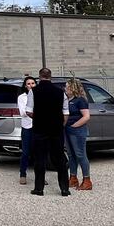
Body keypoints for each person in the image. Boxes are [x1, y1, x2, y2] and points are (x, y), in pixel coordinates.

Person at [28, 68, 71, 196]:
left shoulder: (33, 92)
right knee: (60, 159)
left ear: (40, 76)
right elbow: (66, 113)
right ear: (50, 76)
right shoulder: (60, 92)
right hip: (56, 129)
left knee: (40, 159)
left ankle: (39, 188)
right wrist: (61, 124)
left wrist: (38, 118)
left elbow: (29, 111)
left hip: (39, 128)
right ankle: (64, 188)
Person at [65, 78, 92, 190]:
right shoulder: (67, 100)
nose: (65, 89)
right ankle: (73, 177)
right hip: (67, 129)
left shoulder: (80, 100)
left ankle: (87, 180)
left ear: (73, 88)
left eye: (67, 87)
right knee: (71, 155)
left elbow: (86, 116)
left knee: (80, 154)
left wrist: (75, 125)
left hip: (77, 130)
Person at [17, 76, 36, 185]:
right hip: (27, 126)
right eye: (28, 83)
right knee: (26, 152)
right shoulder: (22, 97)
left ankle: (40, 175)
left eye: (33, 83)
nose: (31, 85)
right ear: (25, 85)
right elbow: (23, 112)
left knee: (38, 152)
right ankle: (23, 174)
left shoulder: (39, 95)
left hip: (37, 126)